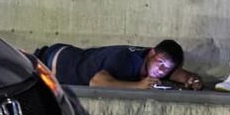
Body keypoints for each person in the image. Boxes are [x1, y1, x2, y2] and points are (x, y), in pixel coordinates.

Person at [34, 40, 202, 90]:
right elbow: (97, 82)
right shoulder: (127, 61)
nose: (161, 70)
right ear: (152, 53)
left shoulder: (151, 59)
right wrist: (138, 85)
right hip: (52, 63)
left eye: (167, 68)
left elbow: (173, 72)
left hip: (69, 54)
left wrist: (191, 79)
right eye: (160, 63)